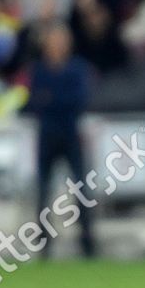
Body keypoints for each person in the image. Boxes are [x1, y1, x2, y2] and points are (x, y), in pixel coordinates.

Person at [26, 23, 95, 257]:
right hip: (47, 135)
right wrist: (53, 100)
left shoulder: (76, 69)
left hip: (69, 133)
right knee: (43, 190)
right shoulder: (38, 69)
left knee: (81, 188)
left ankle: (87, 240)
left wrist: (51, 99)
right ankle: (43, 242)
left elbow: (78, 100)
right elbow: (35, 101)